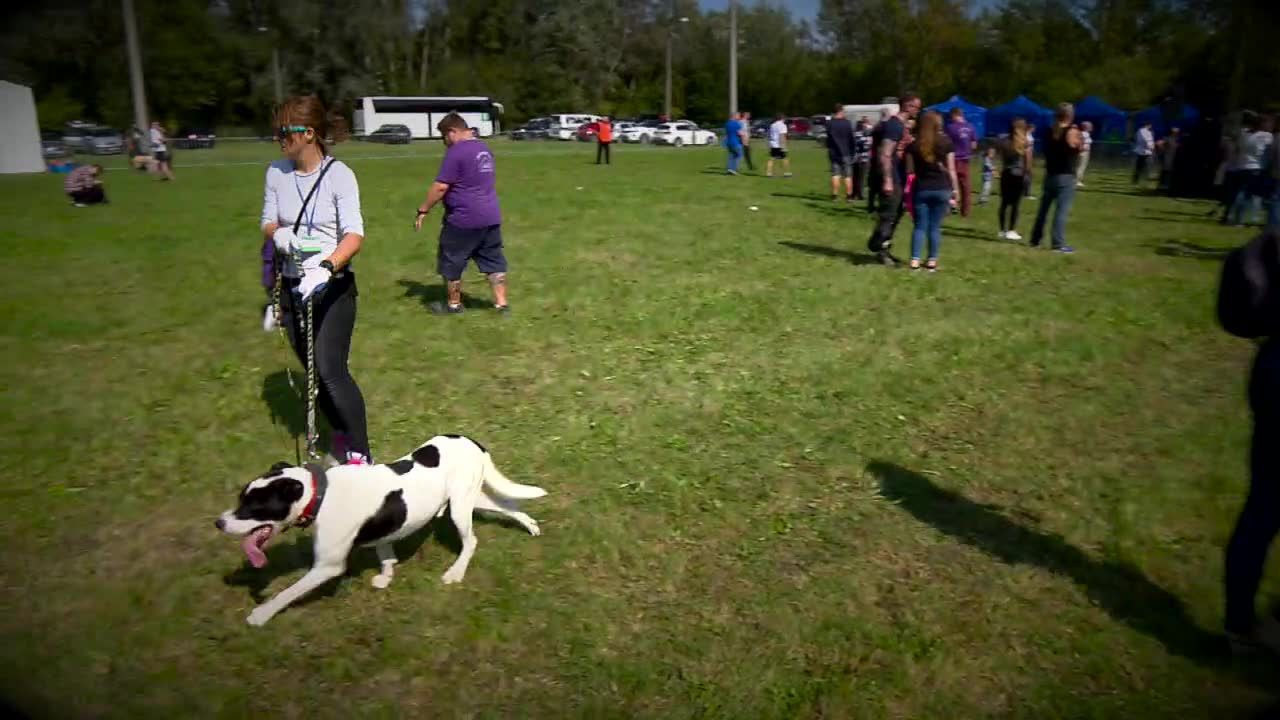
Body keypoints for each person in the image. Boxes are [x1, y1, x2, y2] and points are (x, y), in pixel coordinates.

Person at [260, 95, 371, 465]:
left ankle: (361, 456)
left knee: (330, 370)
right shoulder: (276, 172)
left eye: (284, 131)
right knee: (314, 376)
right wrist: (279, 236)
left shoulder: (340, 175)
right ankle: (339, 436)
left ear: (309, 134)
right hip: (292, 287)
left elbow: (354, 234)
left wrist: (327, 267)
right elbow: (268, 220)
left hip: (332, 286)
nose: (279, 137)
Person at [1217, 228, 1280, 656]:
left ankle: (1240, 624)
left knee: (1263, 505)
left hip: (1274, 370)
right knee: (1263, 507)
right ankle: (1249, 626)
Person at [414, 112, 509, 316]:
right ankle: (502, 305)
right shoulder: (484, 149)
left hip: (463, 219)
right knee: (493, 260)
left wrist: (423, 209)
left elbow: (440, 187)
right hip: (490, 216)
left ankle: (453, 305)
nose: (444, 142)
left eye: (443, 137)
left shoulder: (456, 152)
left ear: (452, 132)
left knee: (452, 261)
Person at [866, 94, 922, 267]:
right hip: (891, 176)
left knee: (897, 213)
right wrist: (888, 180)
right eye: (915, 107)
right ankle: (878, 247)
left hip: (900, 175)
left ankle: (884, 248)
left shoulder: (901, 126)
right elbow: (885, 153)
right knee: (888, 215)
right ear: (906, 105)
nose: (917, 111)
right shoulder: (894, 125)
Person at [904, 111, 958, 272]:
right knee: (935, 227)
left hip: (922, 188)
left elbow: (910, 172)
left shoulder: (913, 146)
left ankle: (914, 260)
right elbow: (952, 169)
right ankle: (932, 261)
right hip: (942, 188)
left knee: (920, 226)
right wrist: (955, 191)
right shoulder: (946, 143)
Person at [1028, 103, 1083, 253]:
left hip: (1050, 175)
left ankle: (1035, 239)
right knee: (1061, 211)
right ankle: (1058, 244)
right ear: (1070, 115)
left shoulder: (1049, 130)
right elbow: (1077, 148)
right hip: (1066, 176)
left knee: (1043, 210)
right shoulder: (1072, 131)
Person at [1229, 113, 1274, 227]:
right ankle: (1241, 219)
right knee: (1250, 194)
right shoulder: (1266, 136)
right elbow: (1269, 151)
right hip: (1256, 167)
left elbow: (1238, 148)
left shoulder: (1243, 133)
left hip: (1242, 166)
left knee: (1241, 192)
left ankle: (1235, 216)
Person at [997, 120, 1032, 241]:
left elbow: (1001, 157)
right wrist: (1027, 174)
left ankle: (1002, 230)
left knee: (1004, 203)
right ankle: (1012, 230)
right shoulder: (1024, 143)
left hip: (1006, 173)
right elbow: (1028, 162)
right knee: (1016, 204)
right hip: (1018, 175)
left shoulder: (1004, 141)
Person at [944, 107, 977, 217]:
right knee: (966, 187)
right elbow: (974, 145)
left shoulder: (950, 127)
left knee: (950, 185)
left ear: (954, 115)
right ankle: (965, 212)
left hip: (953, 158)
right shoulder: (971, 127)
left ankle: (949, 208)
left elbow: (946, 142)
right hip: (965, 159)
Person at [825, 104, 856, 202]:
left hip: (834, 152)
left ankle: (835, 195)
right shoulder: (847, 123)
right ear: (841, 111)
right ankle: (849, 196)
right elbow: (851, 138)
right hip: (846, 152)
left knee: (835, 174)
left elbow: (828, 139)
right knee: (848, 175)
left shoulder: (829, 123)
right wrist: (853, 151)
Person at [867, 107, 894, 213]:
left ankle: (871, 205)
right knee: (883, 181)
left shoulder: (876, 126)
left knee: (873, 185)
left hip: (874, 157)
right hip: (883, 156)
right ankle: (882, 205)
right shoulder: (887, 127)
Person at [852, 117, 873, 200]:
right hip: (863, 158)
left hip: (855, 158)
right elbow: (867, 146)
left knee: (855, 177)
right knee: (861, 177)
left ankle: (853, 193)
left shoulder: (854, 134)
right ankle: (860, 194)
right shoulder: (865, 135)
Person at [767, 113, 791, 177]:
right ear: (782, 118)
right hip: (780, 144)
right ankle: (786, 173)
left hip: (773, 144)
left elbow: (770, 135)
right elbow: (782, 136)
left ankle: (769, 173)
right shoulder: (783, 125)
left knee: (771, 159)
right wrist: (784, 146)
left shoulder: (772, 125)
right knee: (784, 158)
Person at [1158, 126, 1181, 193]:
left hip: (1173, 157)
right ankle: (1162, 186)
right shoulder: (1167, 138)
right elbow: (1159, 143)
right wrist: (1163, 151)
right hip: (1167, 157)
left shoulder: (1176, 139)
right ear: (1173, 133)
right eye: (1176, 132)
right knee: (1165, 172)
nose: (1177, 133)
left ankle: (1166, 186)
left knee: (1169, 172)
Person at [1132, 120, 1155, 186]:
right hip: (1146, 151)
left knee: (1138, 166)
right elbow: (1149, 142)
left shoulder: (1139, 131)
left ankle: (1135, 180)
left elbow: (1135, 139)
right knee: (1146, 166)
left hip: (1139, 151)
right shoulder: (1148, 132)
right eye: (1150, 125)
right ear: (1148, 125)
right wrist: (1152, 147)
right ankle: (1144, 179)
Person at [1076, 121, 1093, 187]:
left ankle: (1077, 180)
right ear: (1086, 127)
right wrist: (1082, 148)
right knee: (1081, 167)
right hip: (1083, 152)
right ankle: (1077, 181)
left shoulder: (1083, 133)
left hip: (1083, 151)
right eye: (1090, 126)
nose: (1091, 127)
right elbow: (1082, 142)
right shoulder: (1084, 134)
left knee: (1080, 166)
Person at [1024, 123, 1037, 200]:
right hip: (1027, 154)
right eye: (1033, 128)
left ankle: (1026, 192)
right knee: (1028, 173)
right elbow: (1024, 144)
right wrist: (1029, 143)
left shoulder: (1030, 135)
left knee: (1029, 173)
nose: (1034, 130)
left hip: (1030, 154)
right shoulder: (1026, 135)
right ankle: (1027, 193)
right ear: (1030, 128)